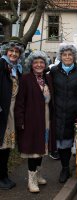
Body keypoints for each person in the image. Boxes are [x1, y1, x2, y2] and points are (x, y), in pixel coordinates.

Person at [14, 50, 56, 193]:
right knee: (33, 150)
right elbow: (20, 102)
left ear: (45, 64)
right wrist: (20, 121)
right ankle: (31, 180)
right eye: (36, 62)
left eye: (41, 62)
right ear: (31, 65)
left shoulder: (48, 79)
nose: (39, 65)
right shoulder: (25, 79)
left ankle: (38, 175)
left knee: (42, 147)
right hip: (31, 119)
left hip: (45, 118)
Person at [50, 44, 77, 183]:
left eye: (70, 55)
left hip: (74, 113)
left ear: (74, 57)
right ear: (60, 56)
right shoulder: (54, 71)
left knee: (74, 142)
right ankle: (65, 168)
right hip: (58, 113)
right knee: (61, 142)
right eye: (64, 55)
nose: (67, 57)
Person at [0, 37, 24, 189]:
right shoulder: (1, 64)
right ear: (6, 51)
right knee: (1, 145)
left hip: (11, 111)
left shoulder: (16, 68)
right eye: (11, 51)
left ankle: (4, 175)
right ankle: (1, 177)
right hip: (2, 110)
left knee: (7, 145)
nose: (14, 54)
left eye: (16, 51)